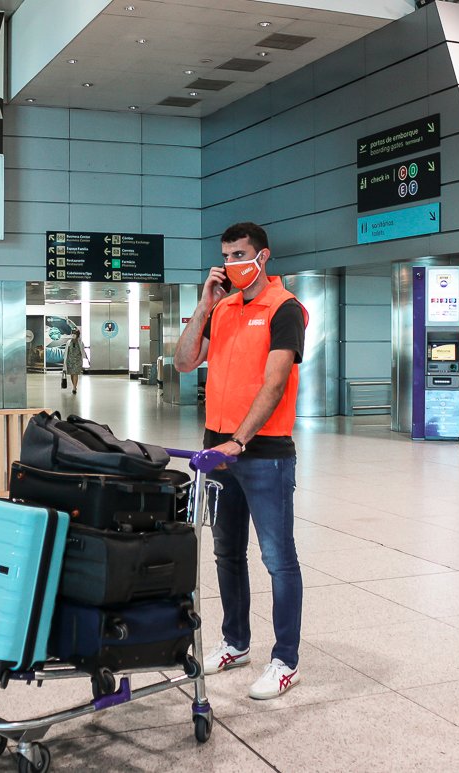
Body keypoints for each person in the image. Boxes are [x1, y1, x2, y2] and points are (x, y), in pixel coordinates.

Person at [174, 221, 308, 700]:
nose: (232, 263)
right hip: (219, 452)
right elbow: (184, 362)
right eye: (226, 255)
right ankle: (236, 642)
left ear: (262, 256)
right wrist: (203, 304)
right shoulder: (223, 308)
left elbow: (275, 382)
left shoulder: (285, 308)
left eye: (240, 254)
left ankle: (285, 660)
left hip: (264, 452)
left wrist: (240, 440)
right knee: (227, 553)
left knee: (278, 559)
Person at [63, 329, 86, 395]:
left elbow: (82, 351)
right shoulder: (68, 342)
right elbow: (66, 352)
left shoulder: (80, 343)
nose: (73, 335)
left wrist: (83, 359)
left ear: (77, 335)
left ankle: (74, 387)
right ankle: (74, 386)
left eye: (75, 334)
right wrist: (65, 361)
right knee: (71, 374)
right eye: (72, 333)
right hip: (70, 361)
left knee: (75, 374)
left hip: (77, 361)